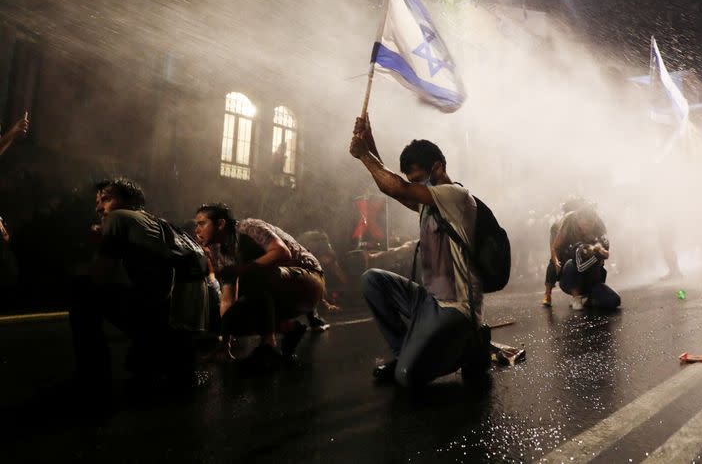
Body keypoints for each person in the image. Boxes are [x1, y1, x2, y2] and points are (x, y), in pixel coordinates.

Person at [349, 115, 488, 387]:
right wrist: (369, 140)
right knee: (372, 280)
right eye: (413, 181)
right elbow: (392, 187)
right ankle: (404, 352)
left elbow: (398, 186)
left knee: (407, 377)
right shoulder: (428, 202)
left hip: (456, 309)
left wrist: (364, 156)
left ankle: (473, 347)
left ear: (438, 168)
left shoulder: (456, 197)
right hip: (428, 301)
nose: (414, 185)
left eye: (419, 179)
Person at [69, 178, 193, 407]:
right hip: (178, 324)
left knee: (81, 287)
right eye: (97, 202)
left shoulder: (120, 217)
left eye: (106, 199)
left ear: (128, 202)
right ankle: (157, 356)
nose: (99, 208)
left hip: (155, 316)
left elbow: (100, 276)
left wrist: (101, 246)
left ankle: (93, 379)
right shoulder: (158, 223)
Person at [194, 203, 325, 369]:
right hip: (277, 288)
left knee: (251, 272)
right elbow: (227, 297)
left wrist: (241, 268)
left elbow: (282, 252)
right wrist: (224, 343)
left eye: (201, 223)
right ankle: (290, 328)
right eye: (196, 225)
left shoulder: (249, 228)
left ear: (220, 224)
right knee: (232, 320)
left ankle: (268, 347)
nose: (197, 230)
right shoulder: (216, 250)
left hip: (309, 281)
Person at [551, 200, 620, 310]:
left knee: (614, 300)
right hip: (571, 277)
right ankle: (576, 297)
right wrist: (556, 263)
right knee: (571, 264)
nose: (587, 225)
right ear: (578, 220)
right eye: (584, 222)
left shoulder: (600, 234)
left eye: (590, 222)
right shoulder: (571, 228)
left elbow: (600, 261)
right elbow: (579, 266)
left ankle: (590, 298)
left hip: (592, 277)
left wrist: (601, 253)